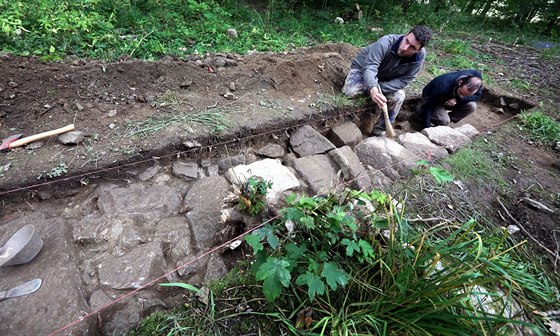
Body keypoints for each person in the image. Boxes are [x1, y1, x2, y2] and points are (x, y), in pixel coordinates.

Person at [342, 25, 433, 136]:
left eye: (412, 48)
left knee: (399, 96)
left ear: (419, 50)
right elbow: (370, 67)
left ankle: (380, 131)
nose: (405, 48)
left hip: (384, 80)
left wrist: (380, 88)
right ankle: (368, 104)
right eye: (406, 41)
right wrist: (373, 89)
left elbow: (405, 80)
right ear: (405, 35)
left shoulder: (419, 57)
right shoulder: (385, 42)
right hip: (362, 69)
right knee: (351, 91)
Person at [413, 69, 483, 129]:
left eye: (466, 95)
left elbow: (477, 96)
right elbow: (429, 106)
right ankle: (420, 112)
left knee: (471, 106)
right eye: (461, 93)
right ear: (460, 83)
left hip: (450, 98)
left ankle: (443, 121)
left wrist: (457, 98)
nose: (462, 96)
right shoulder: (442, 87)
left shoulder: (476, 79)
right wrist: (426, 126)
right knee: (444, 120)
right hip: (431, 98)